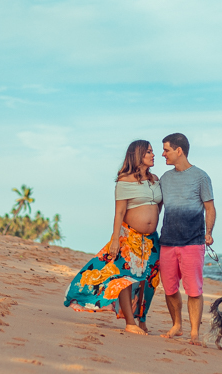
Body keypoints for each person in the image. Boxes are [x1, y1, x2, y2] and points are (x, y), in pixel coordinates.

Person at [63, 140, 163, 335]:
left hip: (151, 240)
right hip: (129, 237)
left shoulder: (155, 179)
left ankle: (142, 319)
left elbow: (157, 207)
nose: (153, 155)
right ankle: (130, 322)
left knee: (148, 280)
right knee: (124, 278)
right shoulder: (125, 180)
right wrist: (115, 238)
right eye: (149, 152)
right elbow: (119, 213)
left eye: (152, 151)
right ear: (138, 154)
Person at [157, 132, 214, 345]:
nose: (163, 154)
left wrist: (208, 233)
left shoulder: (201, 177)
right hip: (168, 241)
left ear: (179, 150)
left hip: (193, 241)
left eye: (166, 150)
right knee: (170, 288)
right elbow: (157, 208)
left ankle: (194, 333)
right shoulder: (164, 179)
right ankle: (177, 325)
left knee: (193, 289)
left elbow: (210, 208)